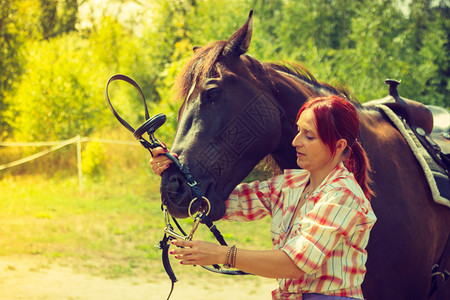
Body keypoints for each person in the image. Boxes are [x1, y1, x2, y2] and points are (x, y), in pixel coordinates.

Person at [150, 95, 377, 300]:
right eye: (298, 131)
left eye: (309, 136)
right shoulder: (290, 185)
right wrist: (174, 169)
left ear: (339, 146)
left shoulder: (342, 195)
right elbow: (216, 200)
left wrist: (221, 254)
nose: (296, 141)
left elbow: (295, 264)